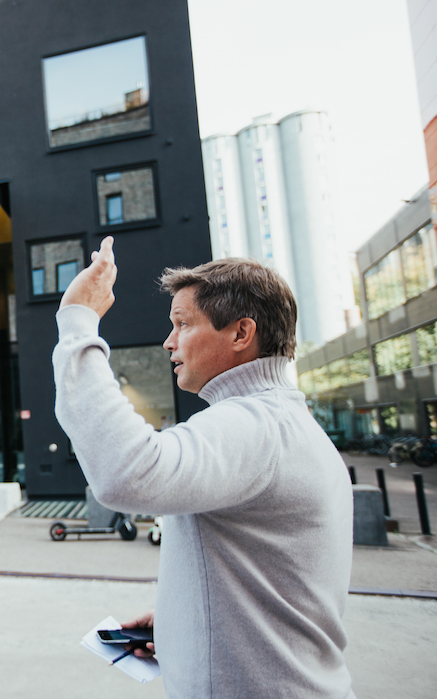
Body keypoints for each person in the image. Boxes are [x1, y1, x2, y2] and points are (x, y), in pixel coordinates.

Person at [53, 237, 354, 698]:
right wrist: (184, 620)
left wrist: (78, 321)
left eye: (182, 324)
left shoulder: (253, 424)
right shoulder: (281, 422)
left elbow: (125, 473)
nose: (169, 341)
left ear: (240, 334)